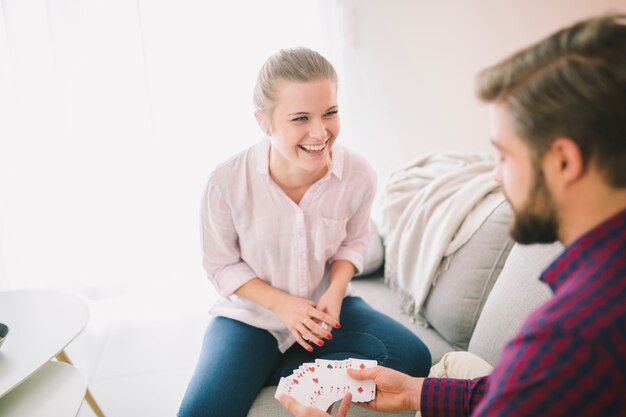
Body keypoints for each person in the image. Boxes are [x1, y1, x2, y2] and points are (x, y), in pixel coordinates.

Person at [279, 14, 626, 417]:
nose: (495, 174)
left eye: (504, 156)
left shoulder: (571, 335)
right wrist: (416, 393)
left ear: (564, 161)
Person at [177, 47, 432, 417]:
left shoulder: (359, 174)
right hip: (252, 317)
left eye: (330, 112)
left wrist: (335, 290)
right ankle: (260, 366)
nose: (320, 132)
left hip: (326, 311)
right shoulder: (226, 182)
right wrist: (284, 305)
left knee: (411, 358)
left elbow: (353, 243)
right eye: (300, 118)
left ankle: (279, 373)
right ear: (264, 122)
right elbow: (220, 265)